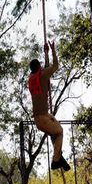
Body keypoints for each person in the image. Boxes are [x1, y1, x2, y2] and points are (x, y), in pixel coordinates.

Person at [28, 41, 70, 171]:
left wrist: (45, 53)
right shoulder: (42, 75)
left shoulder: (31, 77)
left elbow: (45, 68)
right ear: (39, 67)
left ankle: (59, 157)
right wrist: (52, 50)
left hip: (39, 118)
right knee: (60, 132)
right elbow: (55, 66)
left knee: (54, 134)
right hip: (43, 118)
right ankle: (56, 160)